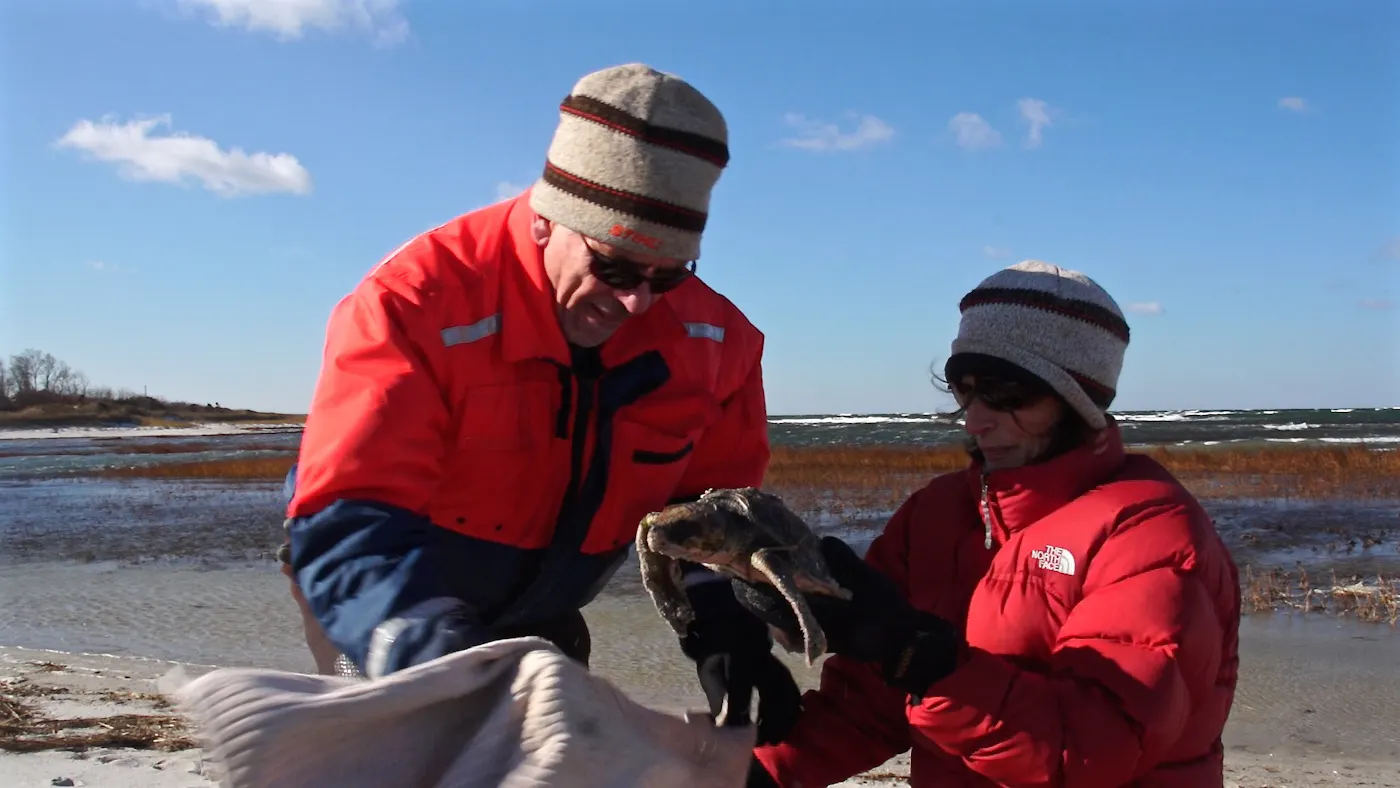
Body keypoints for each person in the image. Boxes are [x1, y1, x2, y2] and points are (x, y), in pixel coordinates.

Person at [276, 62, 801, 744]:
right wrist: (435, 659)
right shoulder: (414, 304)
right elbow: (347, 521)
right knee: (407, 750)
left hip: (544, 602)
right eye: (613, 267)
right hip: (389, 591)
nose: (635, 301)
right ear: (549, 221)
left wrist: (727, 631)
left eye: (668, 275)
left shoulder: (716, 340)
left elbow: (709, 517)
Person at [734, 260, 1243, 786]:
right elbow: (869, 702)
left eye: (1008, 396)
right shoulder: (936, 514)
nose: (977, 419)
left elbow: (1094, 748)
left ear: (1079, 401)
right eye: (965, 391)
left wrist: (917, 658)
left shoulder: (1152, 534)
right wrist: (759, 770)